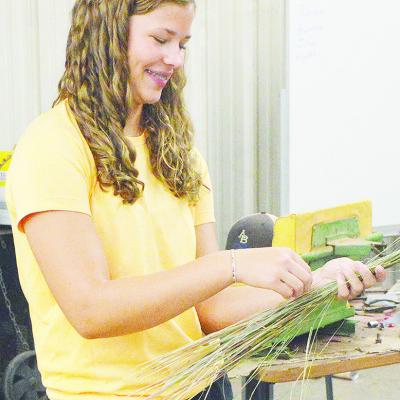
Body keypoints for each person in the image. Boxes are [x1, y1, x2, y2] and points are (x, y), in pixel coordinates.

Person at [5, 1, 385, 399]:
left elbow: (209, 309)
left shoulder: (179, 154)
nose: (174, 60)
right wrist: (230, 265)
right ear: (106, 33)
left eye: (183, 43)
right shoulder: (52, 148)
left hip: (201, 386)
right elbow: (91, 311)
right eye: (160, 39)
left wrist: (311, 287)